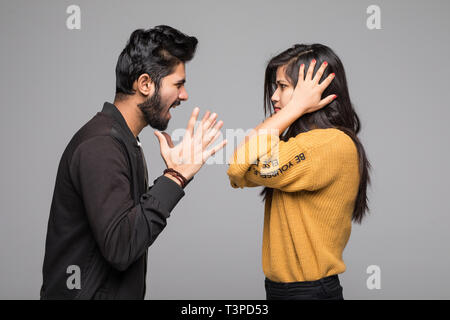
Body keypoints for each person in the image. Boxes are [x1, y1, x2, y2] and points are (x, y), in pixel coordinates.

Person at [40, 25, 226, 300]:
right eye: (178, 84)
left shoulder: (123, 141)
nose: (184, 95)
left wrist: (172, 177)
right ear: (145, 84)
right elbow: (121, 247)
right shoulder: (100, 145)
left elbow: (127, 226)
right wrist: (174, 178)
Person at [227, 44, 371, 300]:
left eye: (283, 86)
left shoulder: (329, 145)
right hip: (286, 290)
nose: (274, 96)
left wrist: (295, 109)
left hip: (309, 292)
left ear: (313, 92)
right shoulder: (297, 145)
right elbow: (240, 170)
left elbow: (239, 164)